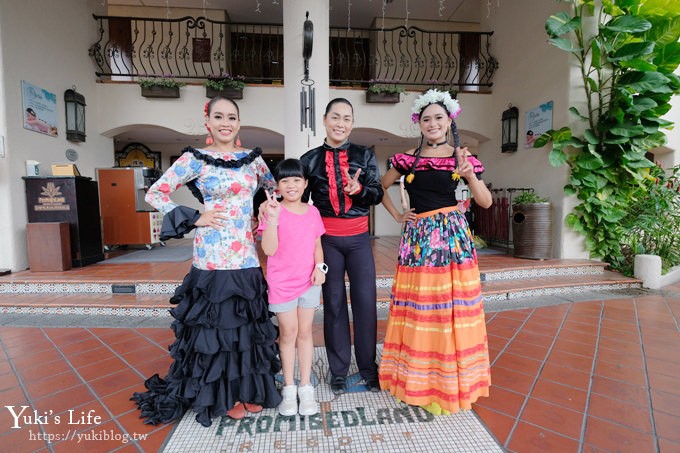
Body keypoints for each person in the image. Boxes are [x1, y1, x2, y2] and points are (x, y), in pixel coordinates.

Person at [131, 96, 282, 427]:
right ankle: (224, 396)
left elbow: (275, 191)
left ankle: (247, 390)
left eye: (231, 116)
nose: (226, 122)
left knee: (243, 329)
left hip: (245, 254)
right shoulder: (193, 159)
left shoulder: (253, 160)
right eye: (219, 116)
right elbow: (154, 193)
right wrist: (194, 217)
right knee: (219, 330)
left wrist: (262, 214)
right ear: (208, 123)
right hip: (211, 257)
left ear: (239, 123)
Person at [379, 89, 492, 415]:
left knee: (451, 309)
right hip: (418, 238)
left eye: (438, 118)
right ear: (419, 123)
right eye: (426, 118)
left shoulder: (462, 157)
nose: (432, 124)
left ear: (449, 121)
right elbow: (379, 188)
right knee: (421, 309)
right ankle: (417, 379)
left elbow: (484, 202)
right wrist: (399, 215)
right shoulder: (405, 158)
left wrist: (468, 174)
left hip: (452, 237)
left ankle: (448, 382)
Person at [299, 98, 384, 395]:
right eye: (335, 117)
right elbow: (299, 202)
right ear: (324, 120)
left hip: (360, 239)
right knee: (333, 303)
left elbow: (376, 194)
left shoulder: (364, 154)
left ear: (352, 122)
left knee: (365, 302)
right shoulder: (308, 160)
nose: (340, 123)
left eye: (347, 118)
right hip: (327, 241)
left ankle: (367, 368)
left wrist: (359, 189)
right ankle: (338, 370)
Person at [258, 158, 326, 416]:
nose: (291, 185)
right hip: (282, 283)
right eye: (285, 180)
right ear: (277, 186)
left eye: (296, 179)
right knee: (288, 334)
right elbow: (269, 249)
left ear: (305, 183)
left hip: (309, 282)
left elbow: (316, 244)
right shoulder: (272, 211)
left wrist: (321, 267)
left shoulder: (313, 212)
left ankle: (306, 387)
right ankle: (289, 389)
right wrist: (272, 219)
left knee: (306, 333)